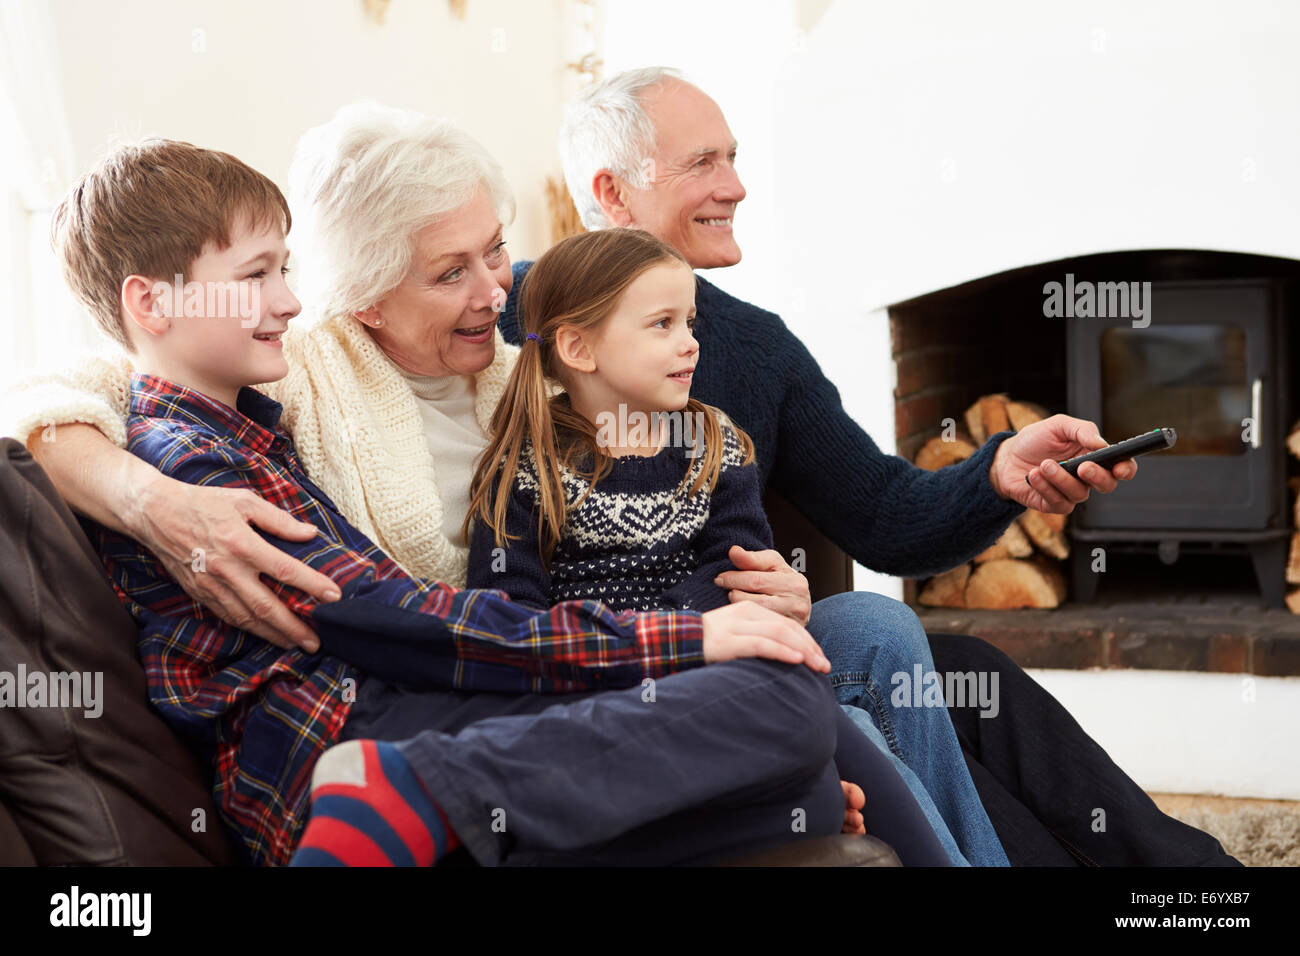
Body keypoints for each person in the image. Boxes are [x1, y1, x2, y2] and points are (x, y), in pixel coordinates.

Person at [50, 134, 924, 868]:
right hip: (350, 744)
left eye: (495, 253)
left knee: (803, 757)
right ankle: (415, 800)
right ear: (150, 303)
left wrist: (724, 612)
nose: (288, 298)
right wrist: (684, 638)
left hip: (428, 717)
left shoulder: (256, 427)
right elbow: (404, 620)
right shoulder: (189, 463)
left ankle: (439, 802)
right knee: (785, 701)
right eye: (258, 275)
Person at [491, 66, 1240, 867]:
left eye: (735, 158)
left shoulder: (756, 348)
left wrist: (998, 473)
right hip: (651, 666)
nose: (737, 186)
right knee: (889, 716)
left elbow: (885, 515)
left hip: (770, 640)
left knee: (960, 675)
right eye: (704, 162)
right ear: (613, 190)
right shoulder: (515, 322)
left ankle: (1196, 883)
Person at [464, 225, 1006, 865]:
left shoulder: (713, 440)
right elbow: (508, 616)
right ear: (579, 348)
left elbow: (736, 564)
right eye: (662, 324)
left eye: (689, 322)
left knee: (881, 623)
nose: (690, 344)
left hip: (732, 657)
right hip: (618, 690)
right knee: (851, 725)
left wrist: (702, 624)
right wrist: (664, 637)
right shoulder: (527, 470)